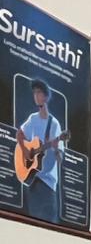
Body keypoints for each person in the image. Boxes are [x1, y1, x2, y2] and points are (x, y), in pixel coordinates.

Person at [16, 80, 63, 225]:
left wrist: (56, 148)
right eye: (34, 92)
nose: (36, 95)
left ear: (46, 97)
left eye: (39, 92)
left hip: (47, 183)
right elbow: (19, 134)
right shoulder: (32, 118)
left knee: (49, 226)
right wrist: (25, 151)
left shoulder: (54, 124)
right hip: (32, 181)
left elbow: (60, 158)